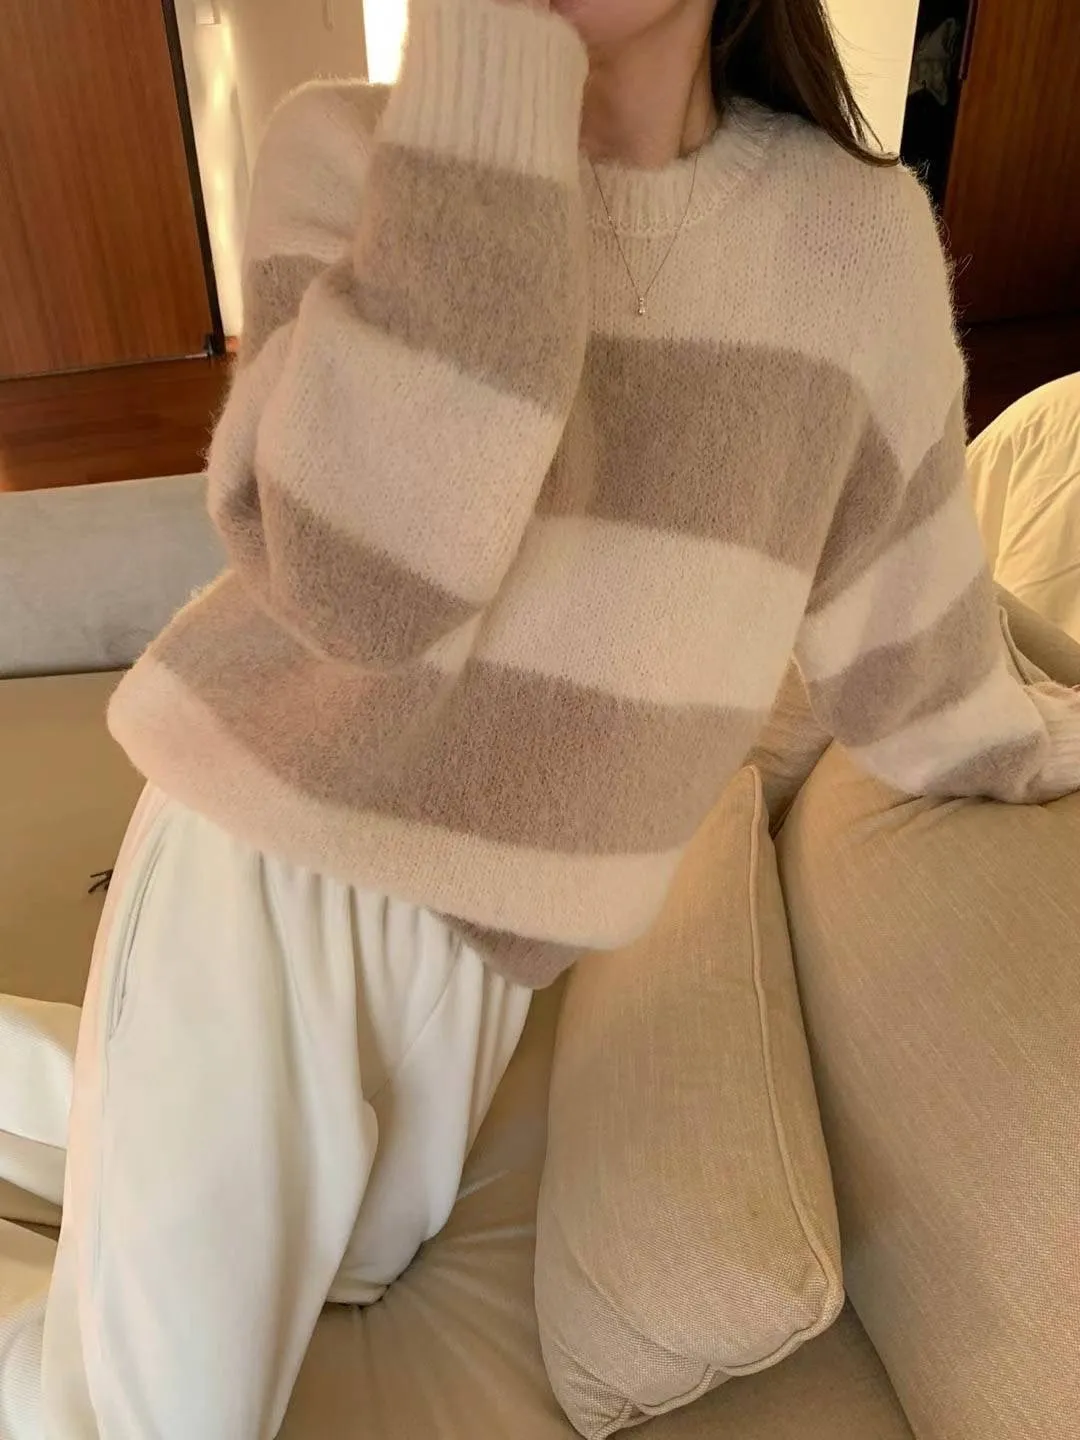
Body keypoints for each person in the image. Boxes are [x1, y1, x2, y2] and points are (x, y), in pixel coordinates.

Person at [3, 0, 1079, 1434]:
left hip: (489, 967)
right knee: (136, 1416)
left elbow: (916, 666)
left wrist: (1032, 741)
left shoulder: (853, 244)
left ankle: (74, 1081)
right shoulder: (347, 155)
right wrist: (491, 80)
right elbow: (364, 592)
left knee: (349, 1262)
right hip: (264, 870)